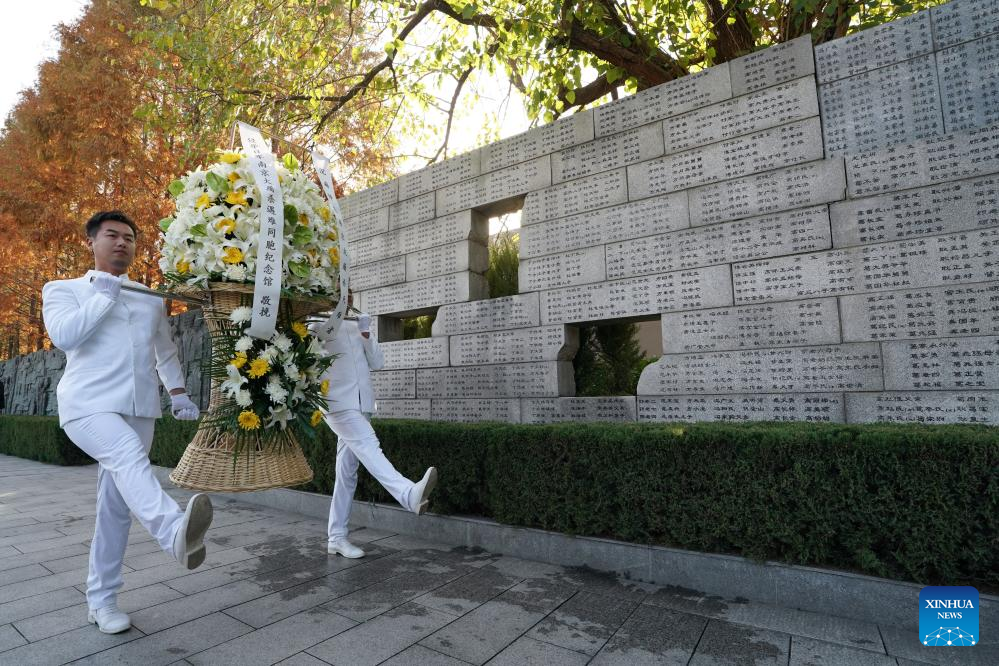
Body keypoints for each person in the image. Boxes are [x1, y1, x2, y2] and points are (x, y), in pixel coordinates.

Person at [41, 211, 214, 635]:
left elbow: (164, 351)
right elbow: (64, 337)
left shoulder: (149, 296)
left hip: (139, 409)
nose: (122, 243)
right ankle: (173, 530)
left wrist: (177, 393)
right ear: (92, 243)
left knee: (115, 509)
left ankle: (101, 601)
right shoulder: (63, 289)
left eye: (130, 238)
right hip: (86, 404)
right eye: (113, 235)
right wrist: (102, 296)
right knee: (126, 455)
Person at [314, 292, 438, 558]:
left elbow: (378, 363)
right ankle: (408, 494)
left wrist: (367, 335)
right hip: (336, 403)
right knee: (370, 446)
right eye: (338, 293)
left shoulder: (359, 323)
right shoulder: (316, 323)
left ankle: (336, 538)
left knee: (347, 473)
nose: (345, 298)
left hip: (362, 404)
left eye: (348, 292)